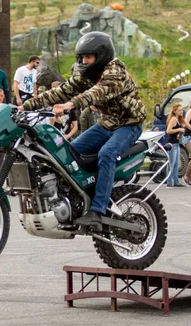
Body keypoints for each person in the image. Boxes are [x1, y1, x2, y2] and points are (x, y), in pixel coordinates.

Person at [20, 31, 146, 231]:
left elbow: (96, 94)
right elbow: (60, 91)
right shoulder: (85, 74)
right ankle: (77, 197)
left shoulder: (115, 73)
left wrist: (70, 104)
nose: (84, 61)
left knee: (107, 153)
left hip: (128, 125)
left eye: (89, 57)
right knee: (66, 153)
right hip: (105, 125)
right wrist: (24, 106)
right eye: (82, 57)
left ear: (101, 56)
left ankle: (97, 210)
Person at [165, 103, 185, 188]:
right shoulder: (173, 119)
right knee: (171, 163)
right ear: (175, 111)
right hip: (172, 144)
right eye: (179, 110)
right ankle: (169, 181)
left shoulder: (179, 119)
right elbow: (168, 130)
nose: (181, 112)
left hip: (177, 143)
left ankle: (176, 181)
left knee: (177, 163)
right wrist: (179, 129)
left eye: (181, 110)